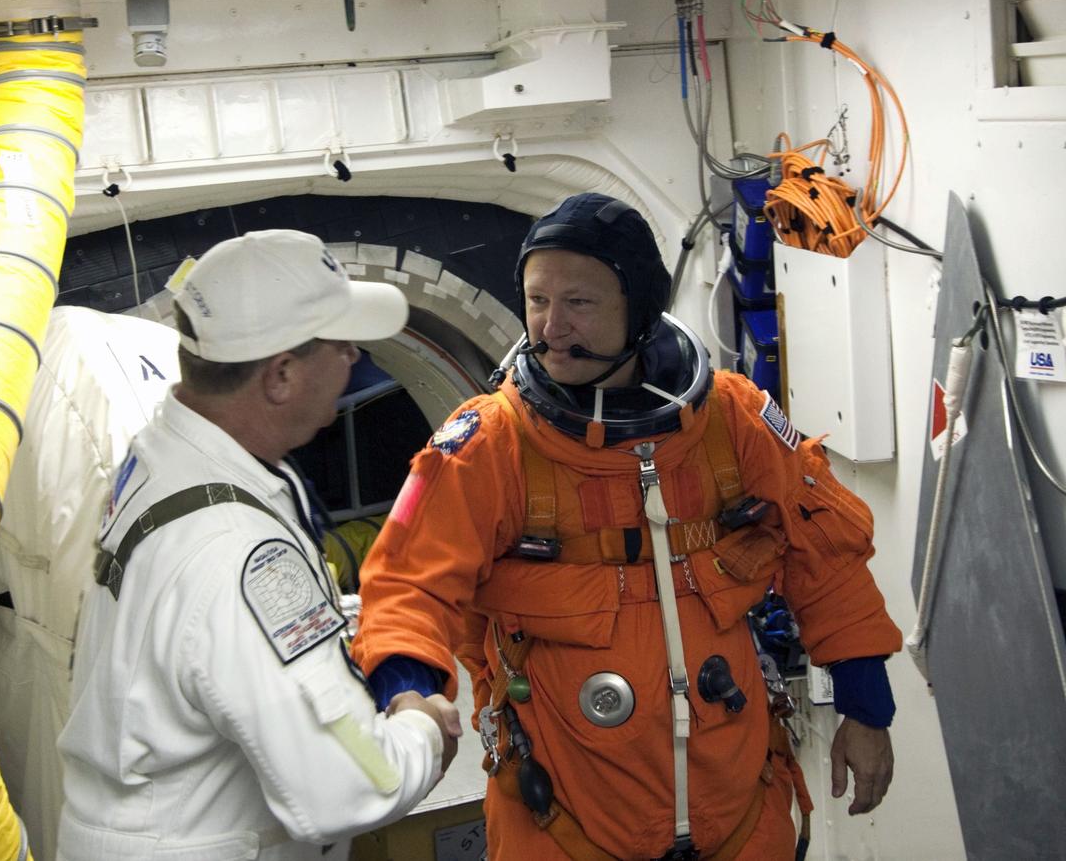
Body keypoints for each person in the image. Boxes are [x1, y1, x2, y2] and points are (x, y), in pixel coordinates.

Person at [351, 193, 903, 860]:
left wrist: (866, 706)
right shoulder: (490, 444)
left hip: (740, 812)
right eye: (536, 301)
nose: (550, 326)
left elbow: (826, 551)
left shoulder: (730, 420)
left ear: (639, 306)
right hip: (559, 821)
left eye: (578, 303)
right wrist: (408, 696)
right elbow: (409, 585)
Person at [58, 229, 462, 861]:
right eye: (341, 343)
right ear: (280, 376)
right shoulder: (236, 549)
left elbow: (215, 642)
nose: (355, 356)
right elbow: (354, 784)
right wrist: (422, 727)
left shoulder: (164, 458)